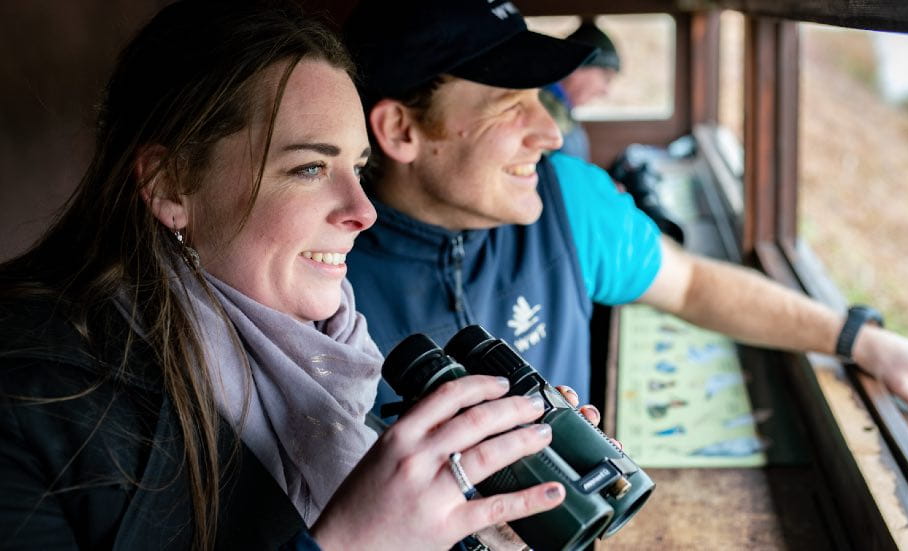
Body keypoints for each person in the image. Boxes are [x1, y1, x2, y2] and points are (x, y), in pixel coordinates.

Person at [0, 2, 571, 549]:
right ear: (171, 183)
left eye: (357, 168)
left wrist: (476, 521)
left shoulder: (323, 353)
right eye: (310, 167)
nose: (363, 211)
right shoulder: (29, 394)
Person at [343, 0, 908, 445]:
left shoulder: (567, 199)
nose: (549, 132)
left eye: (541, 99)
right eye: (511, 107)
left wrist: (862, 340)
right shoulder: (316, 273)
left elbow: (694, 285)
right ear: (400, 130)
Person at [540, 20, 622, 161]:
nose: (605, 91)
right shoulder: (542, 108)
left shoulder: (561, 107)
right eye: (606, 77)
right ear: (578, 66)